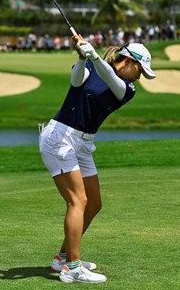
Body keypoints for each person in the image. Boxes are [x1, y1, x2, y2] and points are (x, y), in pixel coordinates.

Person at [39, 35, 156, 283]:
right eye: (140, 70)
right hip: (60, 138)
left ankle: (62, 257)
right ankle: (72, 267)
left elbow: (110, 78)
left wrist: (92, 55)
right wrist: (83, 58)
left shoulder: (127, 89)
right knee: (78, 201)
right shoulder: (92, 65)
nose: (139, 77)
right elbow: (76, 80)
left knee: (93, 204)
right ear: (127, 60)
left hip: (83, 144)